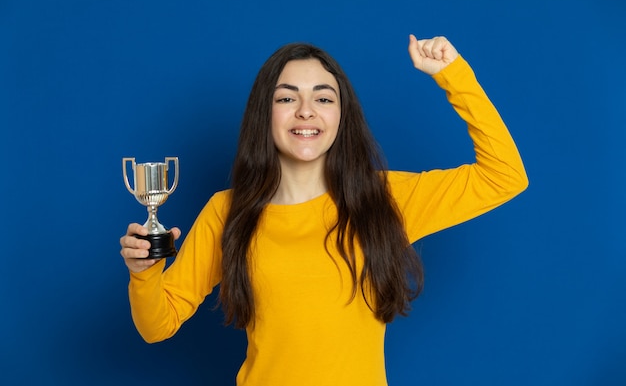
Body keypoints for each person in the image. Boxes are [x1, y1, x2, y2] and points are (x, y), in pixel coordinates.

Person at [120, 35, 528, 386]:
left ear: (340, 116)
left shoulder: (384, 199)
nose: (305, 111)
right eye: (286, 97)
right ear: (266, 115)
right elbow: (158, 325)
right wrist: (144, 274)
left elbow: (505, 175)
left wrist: (454, 75)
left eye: (323, 97)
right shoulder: (227, 212)